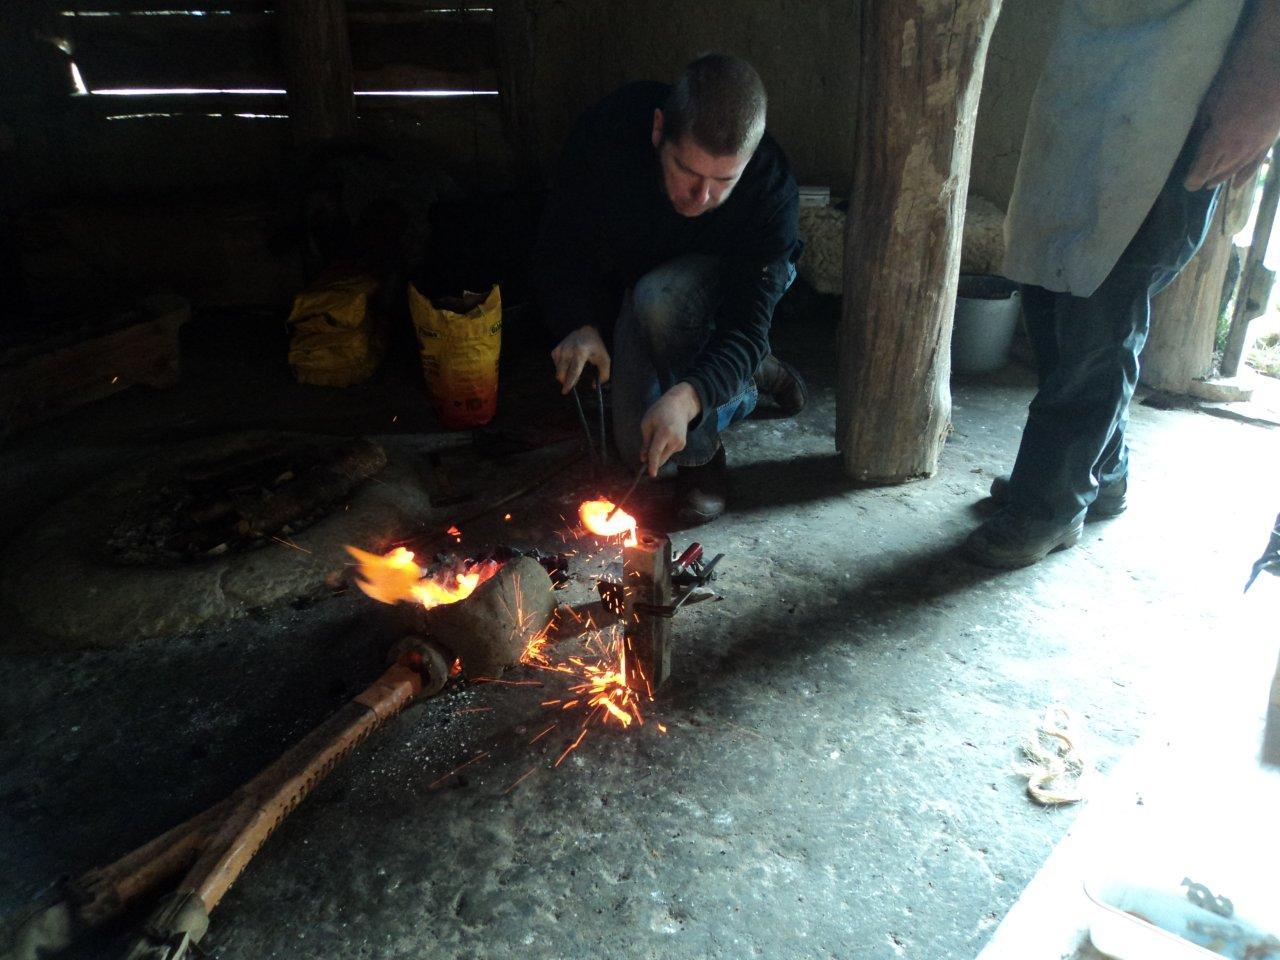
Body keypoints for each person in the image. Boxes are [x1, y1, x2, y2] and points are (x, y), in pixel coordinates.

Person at [965, 0, 1280, 568]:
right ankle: (1099, 474)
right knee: (1051, 280)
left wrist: (1261, 95)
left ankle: (1051, 503)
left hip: (1183, 79)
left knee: (1102, 305)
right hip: (1096, 60)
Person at [534, 53, 807, 525]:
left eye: (724, 181)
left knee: (662, 302)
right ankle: (749, 376)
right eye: (688, 171)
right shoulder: (609, 133)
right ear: (659, 130)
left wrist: (687, 399)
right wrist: (578, 323)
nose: (703, 197)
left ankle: (704, 457)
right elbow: (559, 240)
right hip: (646, 283)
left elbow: (745, 324)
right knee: (637, 447)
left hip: (721, 286)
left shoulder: (770, 188)